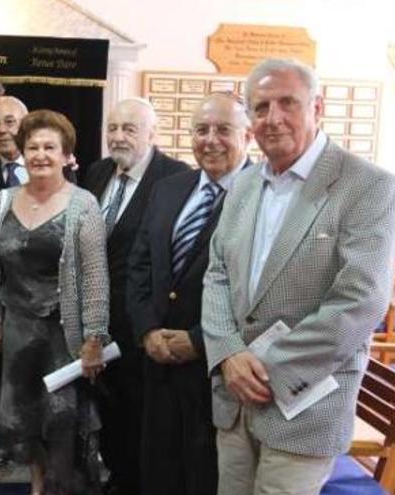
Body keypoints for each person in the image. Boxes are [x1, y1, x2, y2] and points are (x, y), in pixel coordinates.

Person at [202, 58, 395, 495]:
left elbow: (361, 300)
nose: (273, 118)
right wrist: (229, 354)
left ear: (317, 106)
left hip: (305, 402)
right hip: (235, 400)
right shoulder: (245, 183)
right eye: (260, 107)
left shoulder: (366, 185)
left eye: (287, 102)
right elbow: (216, 273)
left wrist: (263, 368)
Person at [127, 93, 252, 495]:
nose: (210, 139)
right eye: (201, 130)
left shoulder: (262, 196)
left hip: (218, 369)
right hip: (158, 363)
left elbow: (259, 292)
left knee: (206, 477)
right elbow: (140, 265)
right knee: (159, 472)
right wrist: (147, 330)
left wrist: (199, 341)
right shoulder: (167, 189)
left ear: (247, 135)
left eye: (223, 130)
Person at [0, 109, 109, 495]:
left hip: (64, 335)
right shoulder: (1, 202)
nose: (40, 155)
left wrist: (95, 338)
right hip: (18, 332)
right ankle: (38, 487)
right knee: (26, 422)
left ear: (66, 154)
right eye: (32, 146)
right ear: (21, 152)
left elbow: (95, 277)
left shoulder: (82, 204)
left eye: (50, 147)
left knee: (62, 423)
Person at [81, 97, 189, 495]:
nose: (118, 136)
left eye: (129, 128)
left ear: (152, 134)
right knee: (111, 414)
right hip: (99, 322)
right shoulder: (97, 172)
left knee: (145, 418)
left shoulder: (177, 178)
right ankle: (119, 478)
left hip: (145, 323)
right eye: (113, 128)